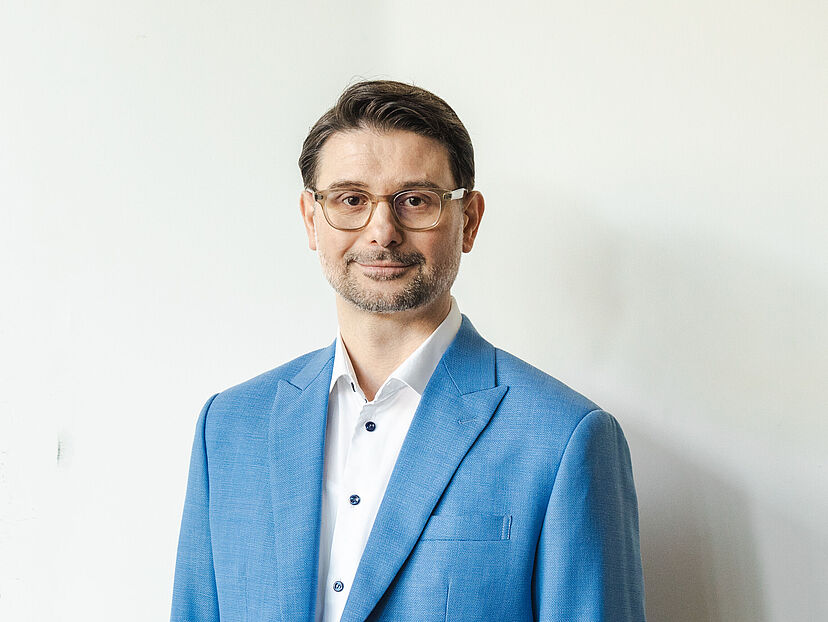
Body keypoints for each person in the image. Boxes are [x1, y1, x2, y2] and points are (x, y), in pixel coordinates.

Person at [170, 80, 646, 622]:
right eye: (351, 199)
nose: (382, 232)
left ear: (469, 221)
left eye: (415, 200)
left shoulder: (564, 438)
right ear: (310, 218)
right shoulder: (229, 428)